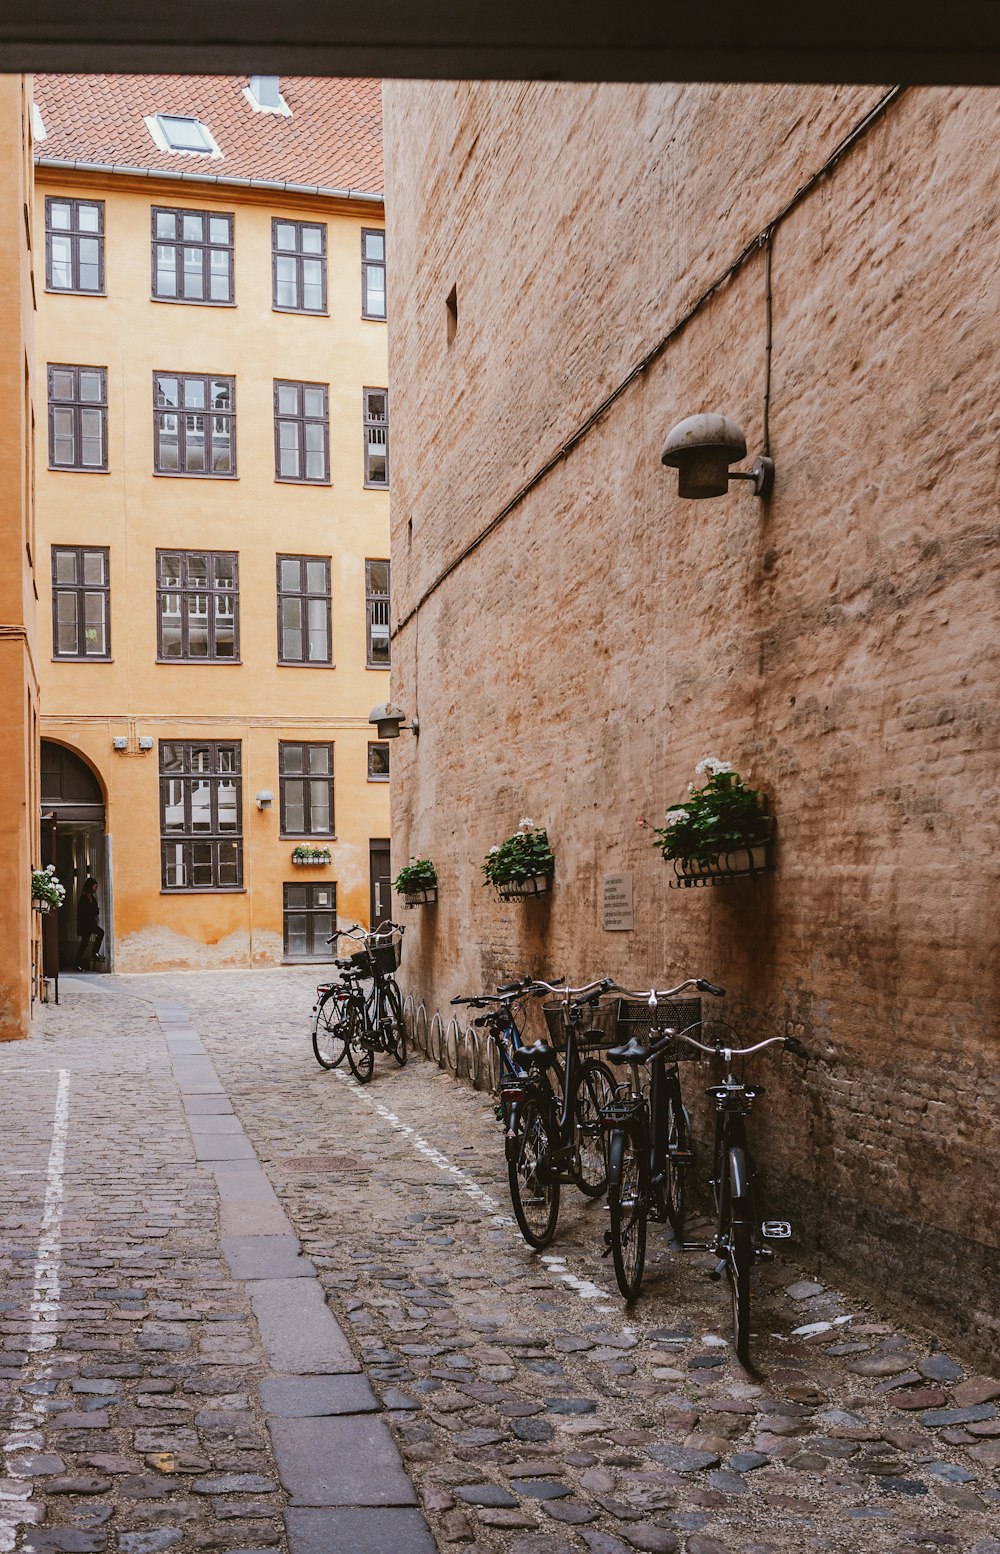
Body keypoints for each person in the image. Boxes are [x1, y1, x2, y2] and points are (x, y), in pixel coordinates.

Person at [76, 877, 104, 971]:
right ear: (91, 887)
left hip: (88, 923)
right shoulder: (84, 898)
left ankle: (76, 964)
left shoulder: (91, 898)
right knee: (101, 932)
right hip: (86, 923)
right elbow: (86, 911)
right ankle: (94, 953)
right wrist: (95, 911)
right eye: (95, 887)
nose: (96, 889)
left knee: (84, 944)